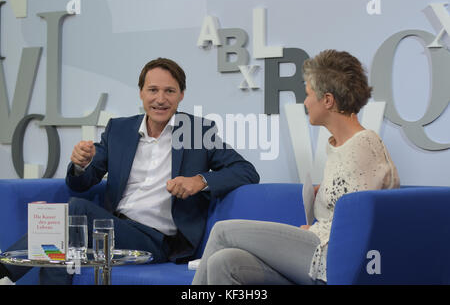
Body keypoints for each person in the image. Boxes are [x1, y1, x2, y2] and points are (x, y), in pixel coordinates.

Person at [0, 57, 260, 284]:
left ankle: (3, 273)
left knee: (75, 210)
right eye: (153, 90)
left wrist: (200, 180)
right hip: (112, 229)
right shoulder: (120, 130)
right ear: (140, 93)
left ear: (181, 95)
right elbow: (81, 182)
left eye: (169, 91)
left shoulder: (196, 131)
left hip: (156, 242)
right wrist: (82, 164)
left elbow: (246, 171)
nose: (160, 99)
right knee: (61, 249)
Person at [192, 49, 400, 285]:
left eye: (309, 94)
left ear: (328, 100)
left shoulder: (363, 145)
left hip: (332, 261)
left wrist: (312, 233)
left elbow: (358, 227)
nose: (305, 102)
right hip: (318, 251)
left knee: (223, 231)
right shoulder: (340, 147)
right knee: (224, 262)